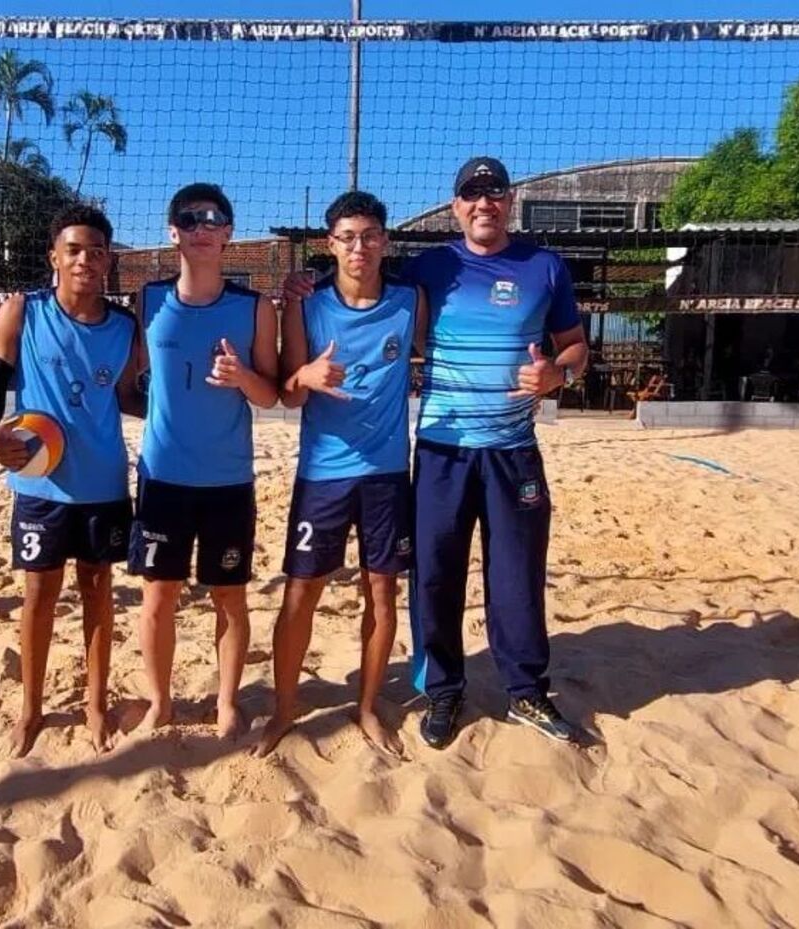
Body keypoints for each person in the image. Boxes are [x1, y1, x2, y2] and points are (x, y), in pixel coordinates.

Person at [402, 156, 590, 748]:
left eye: (494, 194)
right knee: (434, 576)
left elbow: (576, 347)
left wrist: (556, 377)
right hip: (443, 448)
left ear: (510, 202)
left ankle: (527, 693)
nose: (484, 204)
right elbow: (359, 292)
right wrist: (307, 285)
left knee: (517, 576)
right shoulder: (428, 267)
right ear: (455, 206)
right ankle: (443, 691)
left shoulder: (545, 267)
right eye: (471, 195)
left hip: (513, 450)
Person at [253, 191, 427, 758]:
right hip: (323, 473)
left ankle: (368, 707)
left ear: (385, 242)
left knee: (382, 593)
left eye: (371, 235)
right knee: (302, 592)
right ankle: (283, 711)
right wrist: (304, 374)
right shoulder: (307, 305)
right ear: (331, 244)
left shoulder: (409, 301)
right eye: (348, 237)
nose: (360, 246)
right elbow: (285, 394)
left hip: (385, 473)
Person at [0, 205, 143, 757]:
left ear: (108, 260)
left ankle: (96, 704)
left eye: (96, 251)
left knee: (98, 592)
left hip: (103, 483)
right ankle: (31, 710)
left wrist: (200, 404)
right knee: (39, 595)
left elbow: (126, 398)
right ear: (54, 256)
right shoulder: (22, 311)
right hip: (40, 484)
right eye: (74, 249)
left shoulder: (125, 327)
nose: (85, 260)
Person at [128, 183, 279, 739]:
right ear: (173, 233)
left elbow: (274, 396)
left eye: (214, 219)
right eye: (190, 219)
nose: (202, 227)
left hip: (227, 480)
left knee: (229, 598)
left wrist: (242, 379)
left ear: (228, 234)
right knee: (157, 597)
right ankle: (160, 702)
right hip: (162, 476)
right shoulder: (147, 299)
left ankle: (225, 703)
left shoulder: (254, 307)